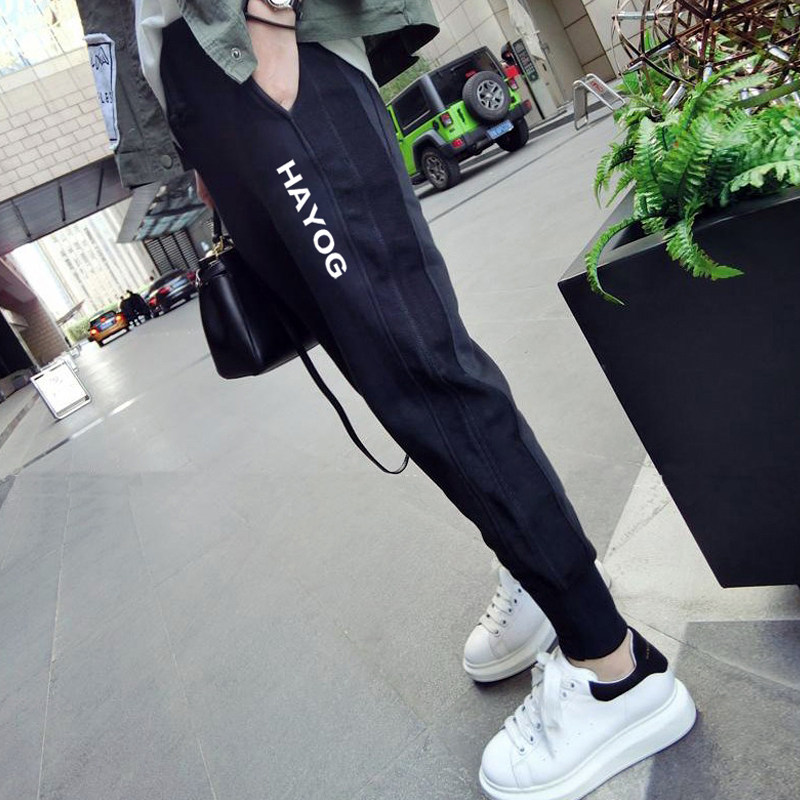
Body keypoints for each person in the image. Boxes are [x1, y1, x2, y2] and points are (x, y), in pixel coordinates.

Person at [130, 2, 696, 798]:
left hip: (256, 54)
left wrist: (266, 23)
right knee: (391, 377)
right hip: (211, 84)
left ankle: (614, 669)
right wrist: (196, 130)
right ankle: (536, 576)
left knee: (419, 367)